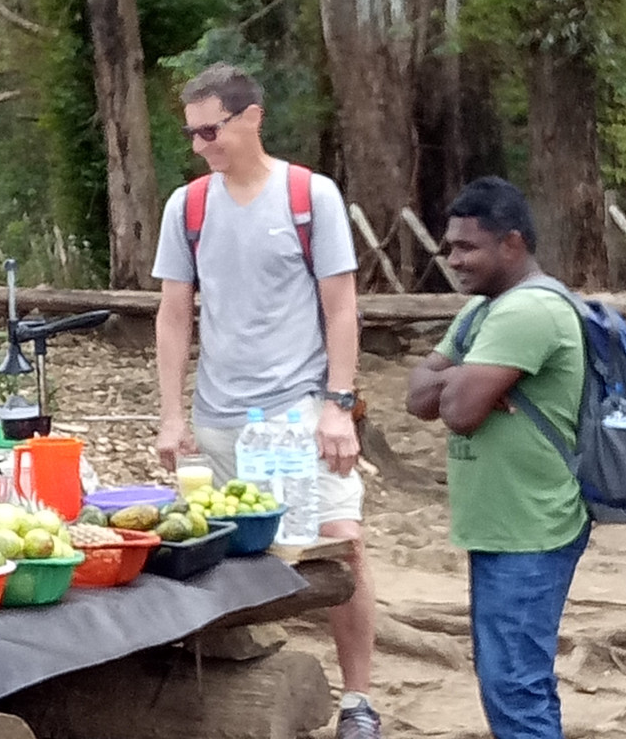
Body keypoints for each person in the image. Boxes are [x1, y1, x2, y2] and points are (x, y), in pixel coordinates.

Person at [152, 63, 380, 739]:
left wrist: (338, 403)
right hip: (220, 418)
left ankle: (360, 699)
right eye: (192, 135)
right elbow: (173, 313)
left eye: (210, 130)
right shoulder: (186, 208)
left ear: (251, 118)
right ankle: (221, 685)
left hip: (299, 411)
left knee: (339, 544)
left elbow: (341, 307)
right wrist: (170, 412)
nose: (200, 146)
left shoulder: (312, 196)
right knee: (215, 552)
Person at [405, 176, 590, 738]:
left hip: (531, 530)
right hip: (500, 526)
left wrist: (461, 380)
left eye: (468, 247)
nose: (453, 260)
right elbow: (417, 397)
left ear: (512, 244)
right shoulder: (484, 311)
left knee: (515, 684)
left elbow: (457, 411)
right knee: (508, 679)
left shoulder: (527, 311)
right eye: (450, 247)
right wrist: (476, 379)